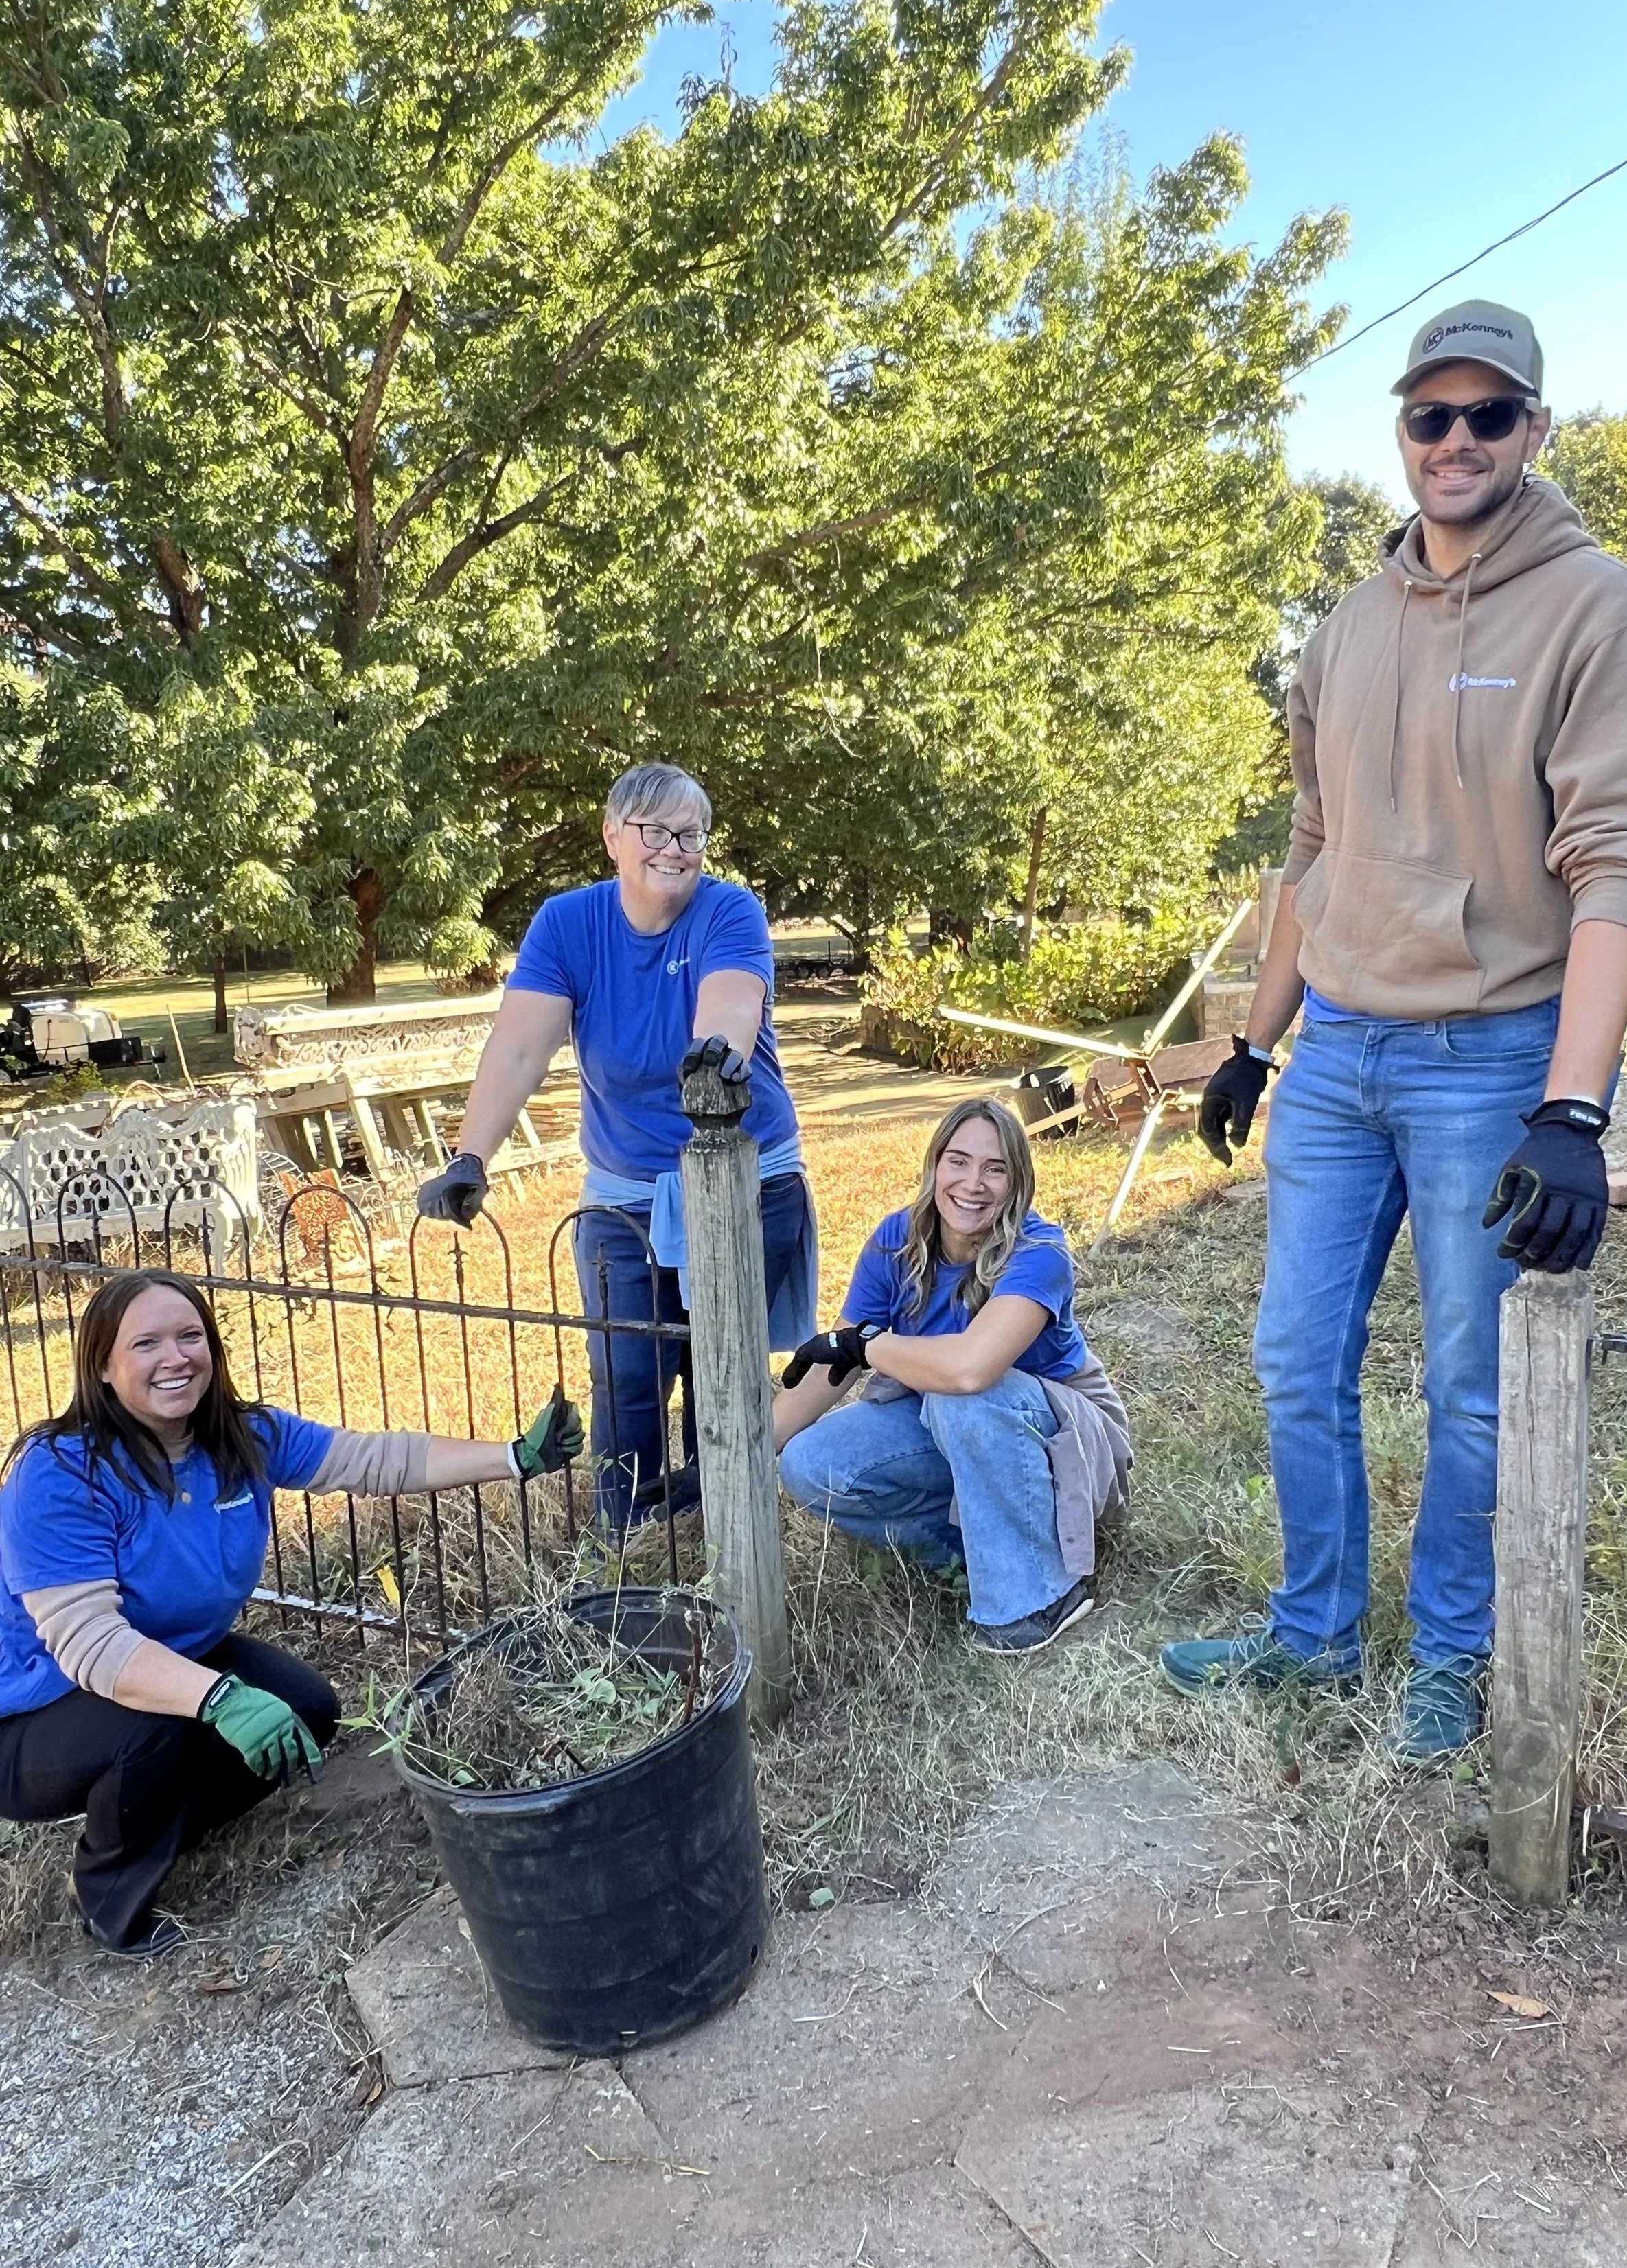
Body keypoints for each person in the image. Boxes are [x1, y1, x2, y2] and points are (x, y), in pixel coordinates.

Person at [1170, 299, 1627, 1761]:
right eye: (1426, 417)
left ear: (1533, 430)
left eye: (1485, 416)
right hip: (1334, 1052)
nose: (1452, 442)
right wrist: (1254, 1042)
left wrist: (1571, 1110)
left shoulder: (1597, 608)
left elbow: (1618, 863)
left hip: (1488, 1062)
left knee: (1466, 1384)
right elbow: (1312, 845)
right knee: (1291, 1359)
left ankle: (1448, 1656)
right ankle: (1312, 1633)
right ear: (1398, 433)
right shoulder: (1343, 627)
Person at [0, 1269, 582, 1960]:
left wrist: (514, 1457)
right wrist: (217, 1698)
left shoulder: (237, 1438)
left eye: (190, 1337)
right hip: (33, 1711)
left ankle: (154, 1820)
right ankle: (107, 1899)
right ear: (102, 1364)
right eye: (146, 1343)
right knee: (159, 1728)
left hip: (161, 1662)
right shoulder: (63, 1470)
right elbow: (91, 1649)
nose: (175, 1357)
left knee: (306, 1708)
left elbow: (374, 1460)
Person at [417, 763, 816, 1521]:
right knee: (626, 1368)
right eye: (655, 831)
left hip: (744, 1175)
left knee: (720, 1367)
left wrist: (715, 1060)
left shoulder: (728, 911)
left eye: (690, 833)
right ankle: (627, 1528)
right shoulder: (568, 924)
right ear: (611, 837)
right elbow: (517, 1052)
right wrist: (470, 1156)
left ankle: (721, 1522)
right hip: (624, 1187)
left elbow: (730, 1002)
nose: (675, 848)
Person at [774, 1099, 1131, 1654]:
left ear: (1018, 1181)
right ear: (934, 1165)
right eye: (958, 1161)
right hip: (953, 1420)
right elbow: (837, 1364)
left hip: (1068, 1439)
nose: (974, 1183)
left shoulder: (1039, 1252)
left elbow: (969, 1370)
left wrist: (871, 1344)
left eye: (995, 1168)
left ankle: (1040, 1594)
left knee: (959, 1398)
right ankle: (975, 1551)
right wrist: (733, 1460)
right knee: (810, 1463)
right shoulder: (898, 1240)